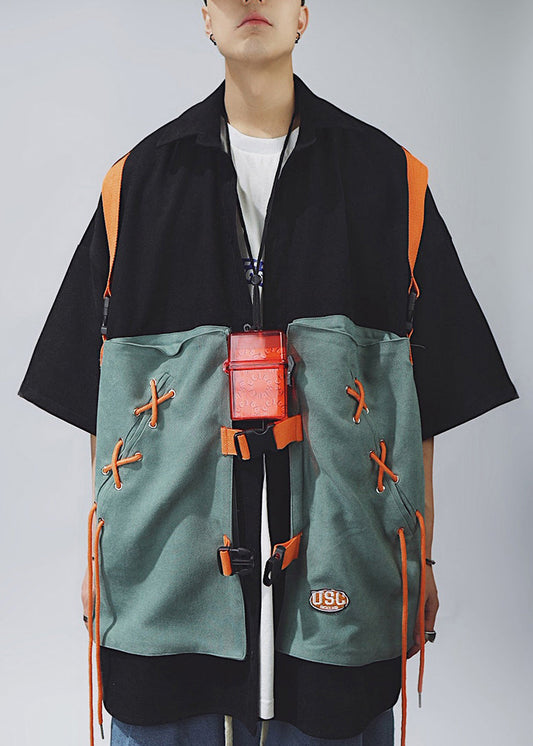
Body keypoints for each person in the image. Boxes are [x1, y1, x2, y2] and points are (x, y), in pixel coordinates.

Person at [17, 1, 519, 745]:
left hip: (340, 595)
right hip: (164, 598)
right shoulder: (138, 184)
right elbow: (99, 397)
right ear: (205, 17)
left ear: (304, 14)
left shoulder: (389, 180)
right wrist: (102, 555)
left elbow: (425, 397)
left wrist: (419, 555)